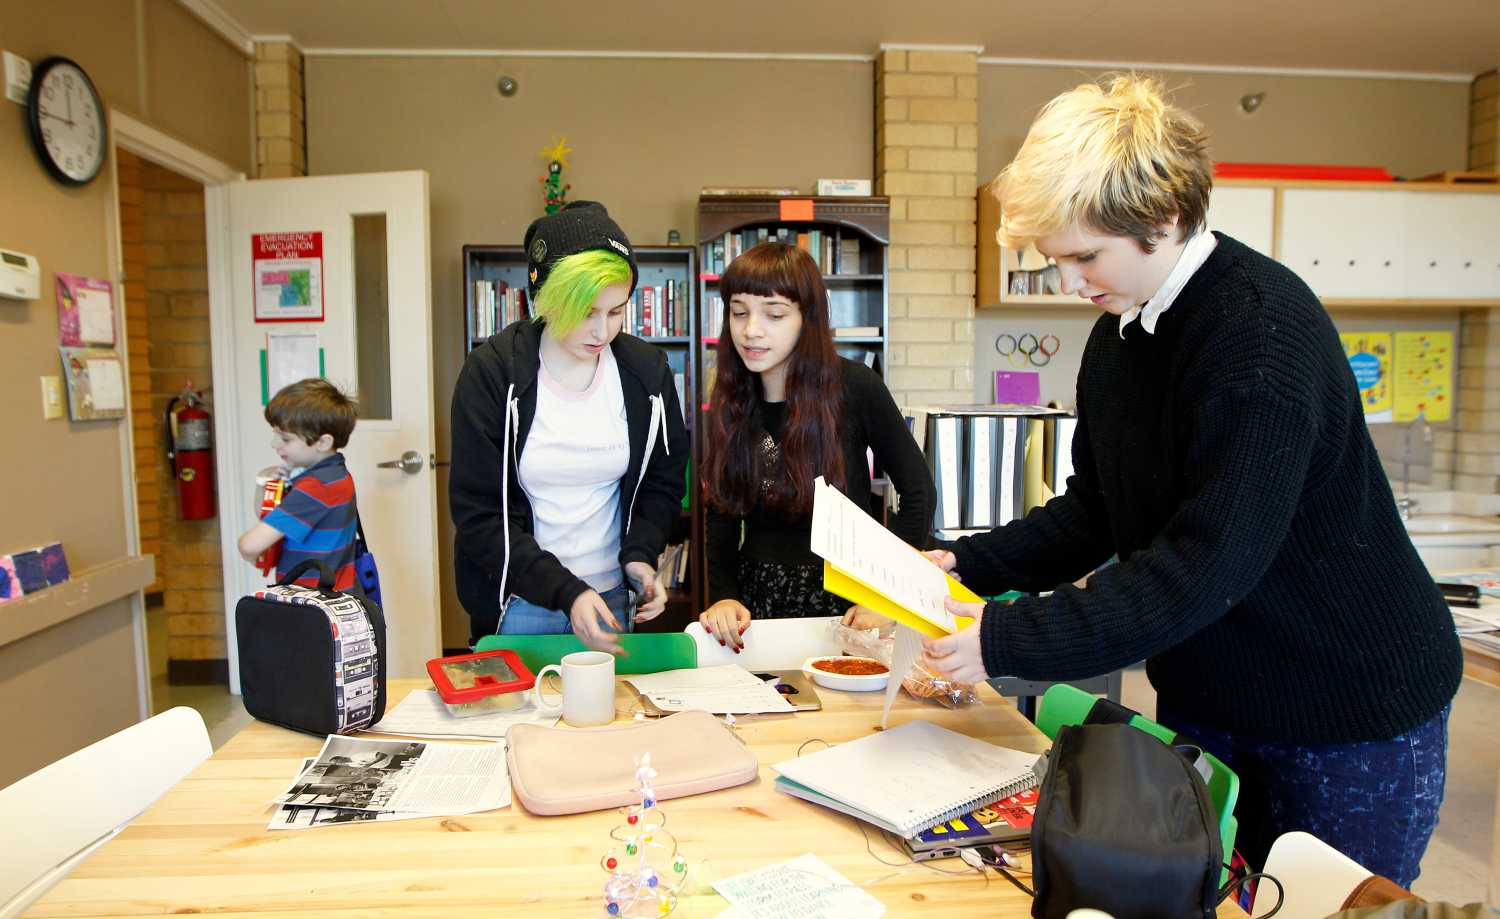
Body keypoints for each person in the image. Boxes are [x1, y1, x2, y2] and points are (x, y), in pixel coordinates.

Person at [920, 75, 1461, 885]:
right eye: (1054, 260)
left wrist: (1004, 636)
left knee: (1333, 904)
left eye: (1084, 256)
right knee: (1212, 895)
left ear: (1164, 217)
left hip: (1348, 709)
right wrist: (965, 564)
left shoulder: (1261, 336)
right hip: (1217, 693)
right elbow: (1095, 511)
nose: (1069, 284)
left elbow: (1202, 567)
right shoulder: (1118, 336)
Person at [450, 201, 688, 654]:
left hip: (609, 596)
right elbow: (480, 515)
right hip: (518, 602)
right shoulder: (493, 373)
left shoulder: (646, 373)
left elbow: (663, 482)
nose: (602, 332)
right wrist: (566, 591)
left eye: (616, 312)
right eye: (585, 312)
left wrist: (640, 556)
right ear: (547, 300)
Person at [697, 242, 935, 650]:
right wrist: (724, 595)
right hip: (755, 606)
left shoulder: (856, 386)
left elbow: (918, 493)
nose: (751, 330)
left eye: (773, 314)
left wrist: (887, 595)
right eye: (739, 312)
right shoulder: (731, 395)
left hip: (848, 602)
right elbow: (722, 511)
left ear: (806, 318)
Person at [237, 378, 360, 590]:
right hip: (333, 594)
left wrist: (249, 554)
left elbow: (250, 546)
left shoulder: (317, 487)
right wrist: (263, 485)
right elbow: (269, 518)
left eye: (285, 439)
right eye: (275, 435)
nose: (274, 444)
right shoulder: (334, 475)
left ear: (323, 442)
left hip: (310, 599)